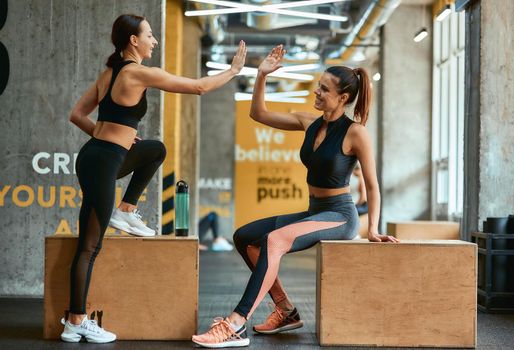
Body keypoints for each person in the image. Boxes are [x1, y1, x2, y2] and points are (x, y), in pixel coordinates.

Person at [192, 45, 399, 348]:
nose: (316, 93)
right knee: (244, 236)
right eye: (318, 86)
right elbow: (258, 113)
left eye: (324, 90)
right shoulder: (309, 122)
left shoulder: (356, 133)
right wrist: (261, 75)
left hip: (340, 216)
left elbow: (373, 184)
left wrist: (373, 230)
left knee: (274, 241)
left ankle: (235, 324)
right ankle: (286, 311)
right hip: (315, 211)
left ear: (342, 98)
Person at [60, 14, 246, 343]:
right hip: (103, 162)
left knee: (154, 149)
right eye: (149, 35)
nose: (154, 40)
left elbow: (77, 115)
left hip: (95, 156)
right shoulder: (139, 73)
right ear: (133, 40)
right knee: (90, 247)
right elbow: (199, 87)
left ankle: (127, 210)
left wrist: (111, 136)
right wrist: (232, 71)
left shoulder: (110, 73)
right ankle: (76, 319)